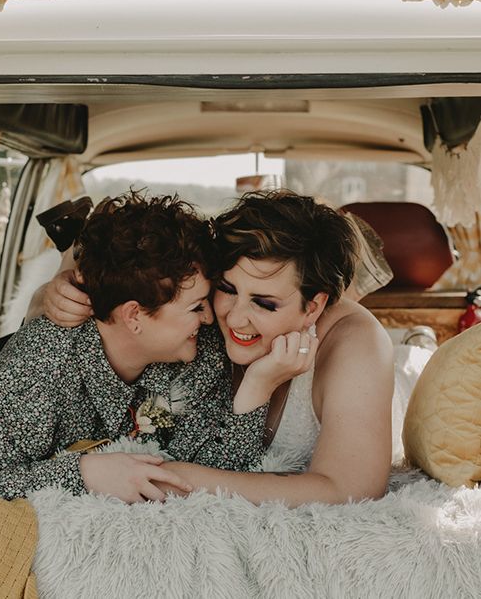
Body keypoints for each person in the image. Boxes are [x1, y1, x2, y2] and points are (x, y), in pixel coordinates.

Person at [41, 190, 395, 506]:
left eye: (265, 304)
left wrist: (177, 478)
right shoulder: (197, 306)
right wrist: (61, 286)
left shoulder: (356, 342)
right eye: (226, 288)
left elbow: (350, 489)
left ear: (314, 307)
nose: (234, 318)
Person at [0, 191, 269, 504]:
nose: (210, 318)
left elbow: (214, 473)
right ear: (134, 316)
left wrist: (257, 386)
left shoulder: (199, 354)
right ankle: (70, 247)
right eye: (196, 306)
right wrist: (85, 473)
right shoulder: (39, 365)